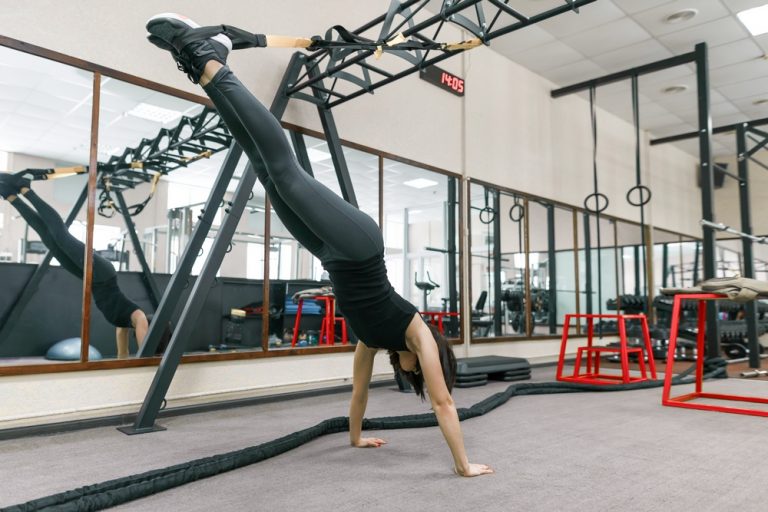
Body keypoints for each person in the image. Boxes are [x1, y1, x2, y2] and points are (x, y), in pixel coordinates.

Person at [145, 13, 492, 477]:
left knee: (267, 174)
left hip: (332, 256)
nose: (410, 372)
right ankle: (211, 59)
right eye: (415, 373)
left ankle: (203, 68)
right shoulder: (418, 332)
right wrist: (464, 465)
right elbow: (445, 402)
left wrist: (355, 437)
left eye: (410, 374)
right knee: (286, 169)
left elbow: (358, 394)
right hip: (361, 245)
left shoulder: (373, 341)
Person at [0, 174, 149, 358]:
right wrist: (147, 362)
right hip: (104, 275)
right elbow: (144, 338)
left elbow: (123, 353)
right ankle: (26, 189)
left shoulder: (123, 324)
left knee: (50, 241)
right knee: (61, 235)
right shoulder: (138, 316)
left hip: (94, 281)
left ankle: (10, 196)